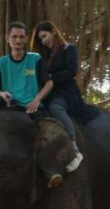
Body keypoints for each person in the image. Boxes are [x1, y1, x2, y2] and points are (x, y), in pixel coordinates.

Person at [33, 21, 91, 172]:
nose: (44, 41)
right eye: (41, 39)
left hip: (66, 92)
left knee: (56, 108)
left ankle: (75, 150)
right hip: (50, 94)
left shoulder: (69, 48)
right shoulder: (45, 58)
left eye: (45, 36)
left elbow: (71, 71)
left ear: (53, 31)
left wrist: (51, 78)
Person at [0, 21, 53, 119]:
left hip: (30, 104)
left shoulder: (35, 59)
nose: (18, 40)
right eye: (14, 37)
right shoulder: (1, 62)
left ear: (26, 39)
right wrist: (2, 94)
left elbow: (49, 83)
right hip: (10, 104)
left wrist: (37, 100)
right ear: (7, 38)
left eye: (21, 37)